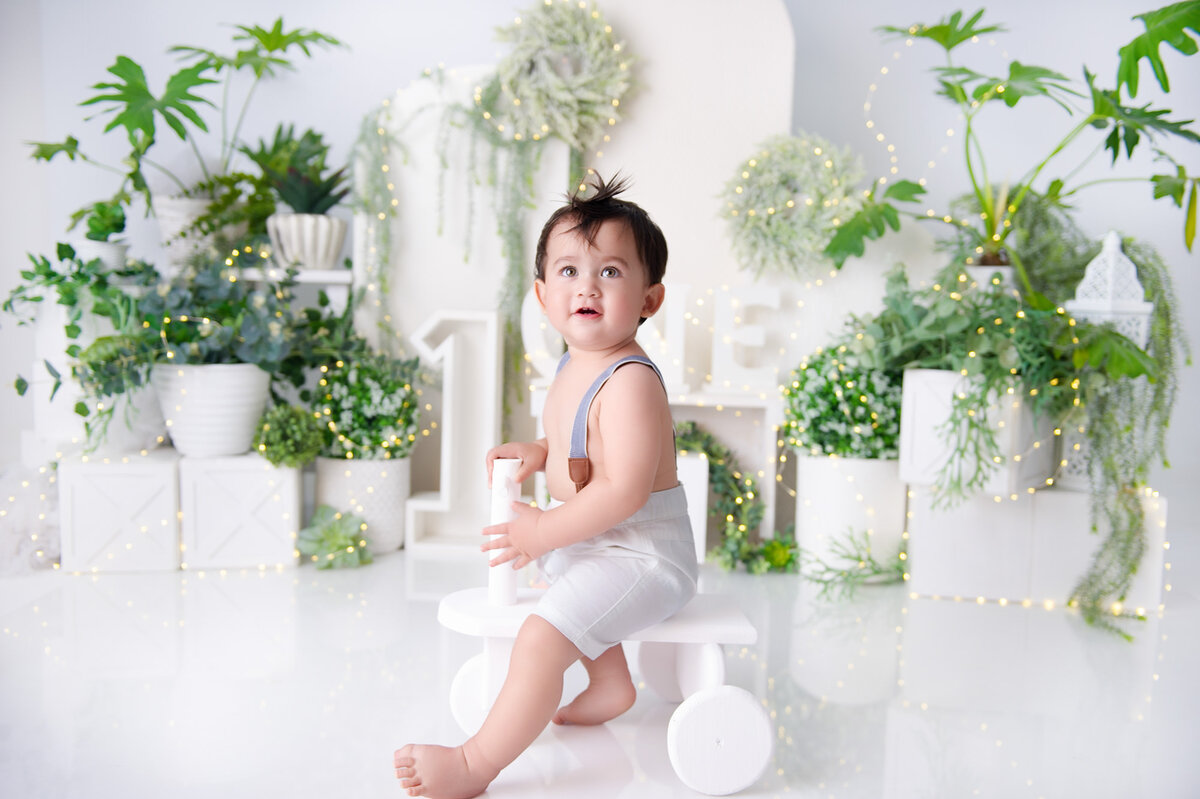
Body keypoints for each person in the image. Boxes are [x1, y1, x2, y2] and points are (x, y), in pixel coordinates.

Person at [394, 174, 697, 798]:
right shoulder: (573, 363)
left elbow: (623, 493)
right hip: (602, 542)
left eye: (611, 272)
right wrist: (539, 452)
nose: (587, 286)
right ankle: (611, 682)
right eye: (568, 270)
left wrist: (540, 530)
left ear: (650, 298)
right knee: (560, 568)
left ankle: (475, 765)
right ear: (541, 293)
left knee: (540, 636)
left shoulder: (632, 380)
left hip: (644, 556)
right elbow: (578, 444)